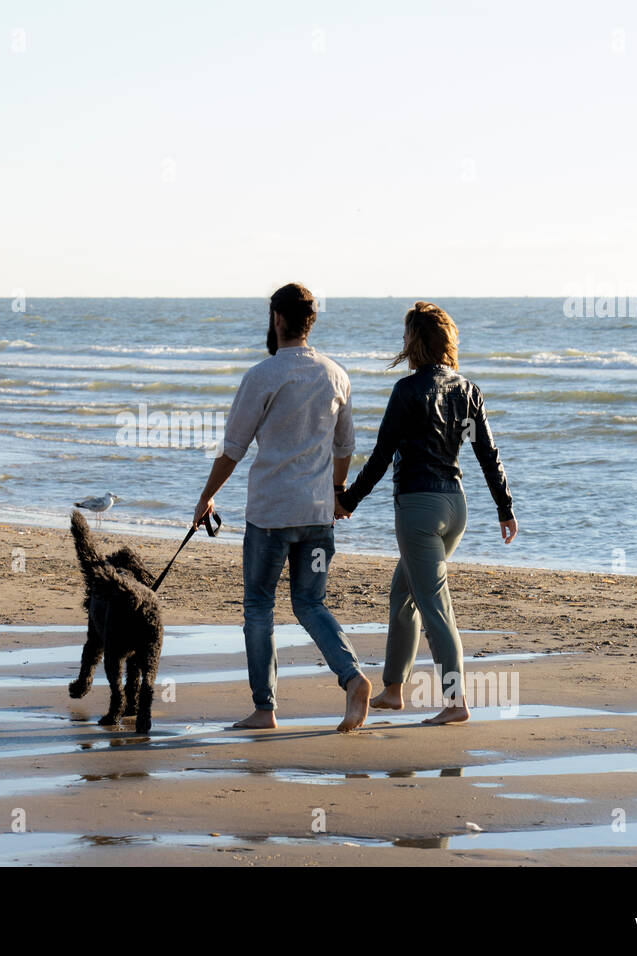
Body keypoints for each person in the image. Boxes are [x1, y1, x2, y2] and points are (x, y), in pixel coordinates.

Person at [193, 283, 371, 733]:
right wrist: (336, 489)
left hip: (270, 515)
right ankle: (351, 677)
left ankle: (265, 709)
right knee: (310, 603)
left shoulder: (263, 376)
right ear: (311, 322)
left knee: (258, 606)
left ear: (276, 319)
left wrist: (206, 496)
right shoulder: (336, 375)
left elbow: (233, 448)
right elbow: (345, 445)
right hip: (315, 516)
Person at [335, 301, 517, 725]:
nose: (401, 343)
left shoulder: (408, 392)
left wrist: (347, 501)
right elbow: (488, 454)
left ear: (415, 343)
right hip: (455, 506)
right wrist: (504, 508)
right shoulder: (468, 390)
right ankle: (394, 690)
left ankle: (455, 703)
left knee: (435, 606)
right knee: (405, 595)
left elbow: (381, 457)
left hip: (418, 509)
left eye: (405, 337)